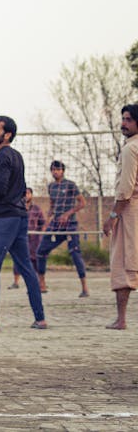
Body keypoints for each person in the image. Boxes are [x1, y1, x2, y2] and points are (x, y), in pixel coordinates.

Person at [0, 115, 46, 330]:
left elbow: (0, 189)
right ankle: (40, 318)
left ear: (7, 134)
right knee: (26, 269)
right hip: (19, 217)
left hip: (4, 219)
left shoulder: (2, 156)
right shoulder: (17, 156)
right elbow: (17, 190)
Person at [103, 104, 138, 330]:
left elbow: (125, 188)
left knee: (124, 263)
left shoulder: (130, 149)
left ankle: (121, 319)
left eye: (128, 119)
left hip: (130, 211)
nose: (123, 123)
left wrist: (113, 216)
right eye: (123, 119)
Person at [36, 161, 89, 297]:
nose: (55, 172)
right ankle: (42, 284)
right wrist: (47, 221)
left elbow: (82, 203)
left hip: (70, 224)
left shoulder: (70, 185)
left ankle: (85, 288)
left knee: (75, 254)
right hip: (56, 224)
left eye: (57, 169)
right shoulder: (51, 187)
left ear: (63, 171)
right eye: (53, 170)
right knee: (41, 251)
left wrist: (67, 214)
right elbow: (52, 205)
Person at [10, 188, 46, 289]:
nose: (26, 195)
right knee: (17, 259)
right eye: (24, 193)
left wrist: (41, 234)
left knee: (35, 260)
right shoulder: (17, 207)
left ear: (31, 195)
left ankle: (40, 283)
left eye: (28, 193)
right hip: (20, 237)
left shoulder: (36, 209)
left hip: (34, 239)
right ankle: (16, 282)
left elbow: (42, 223)